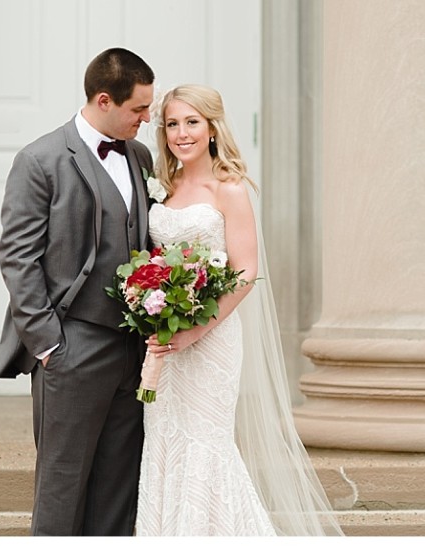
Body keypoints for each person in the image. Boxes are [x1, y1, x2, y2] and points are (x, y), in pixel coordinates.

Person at [136, 84, 343, 536]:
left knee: (205, 443)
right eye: (172, 124)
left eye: (192, 122)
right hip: (167, 343)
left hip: (211, 340)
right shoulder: (162, 185)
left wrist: (196, 330)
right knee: (165, 439)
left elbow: (245, 272)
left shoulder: (228, 187)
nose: (181, 133)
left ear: (212, 128)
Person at [0, 47, 156, 536]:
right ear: (104, 100)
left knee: (119, 485)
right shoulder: (39, 160)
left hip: (133, 347)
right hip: (72, 343)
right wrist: (48, 344)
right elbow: (18, 257)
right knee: (63, 483)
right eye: (138, 110)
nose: (147, 119)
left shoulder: (140, 156)